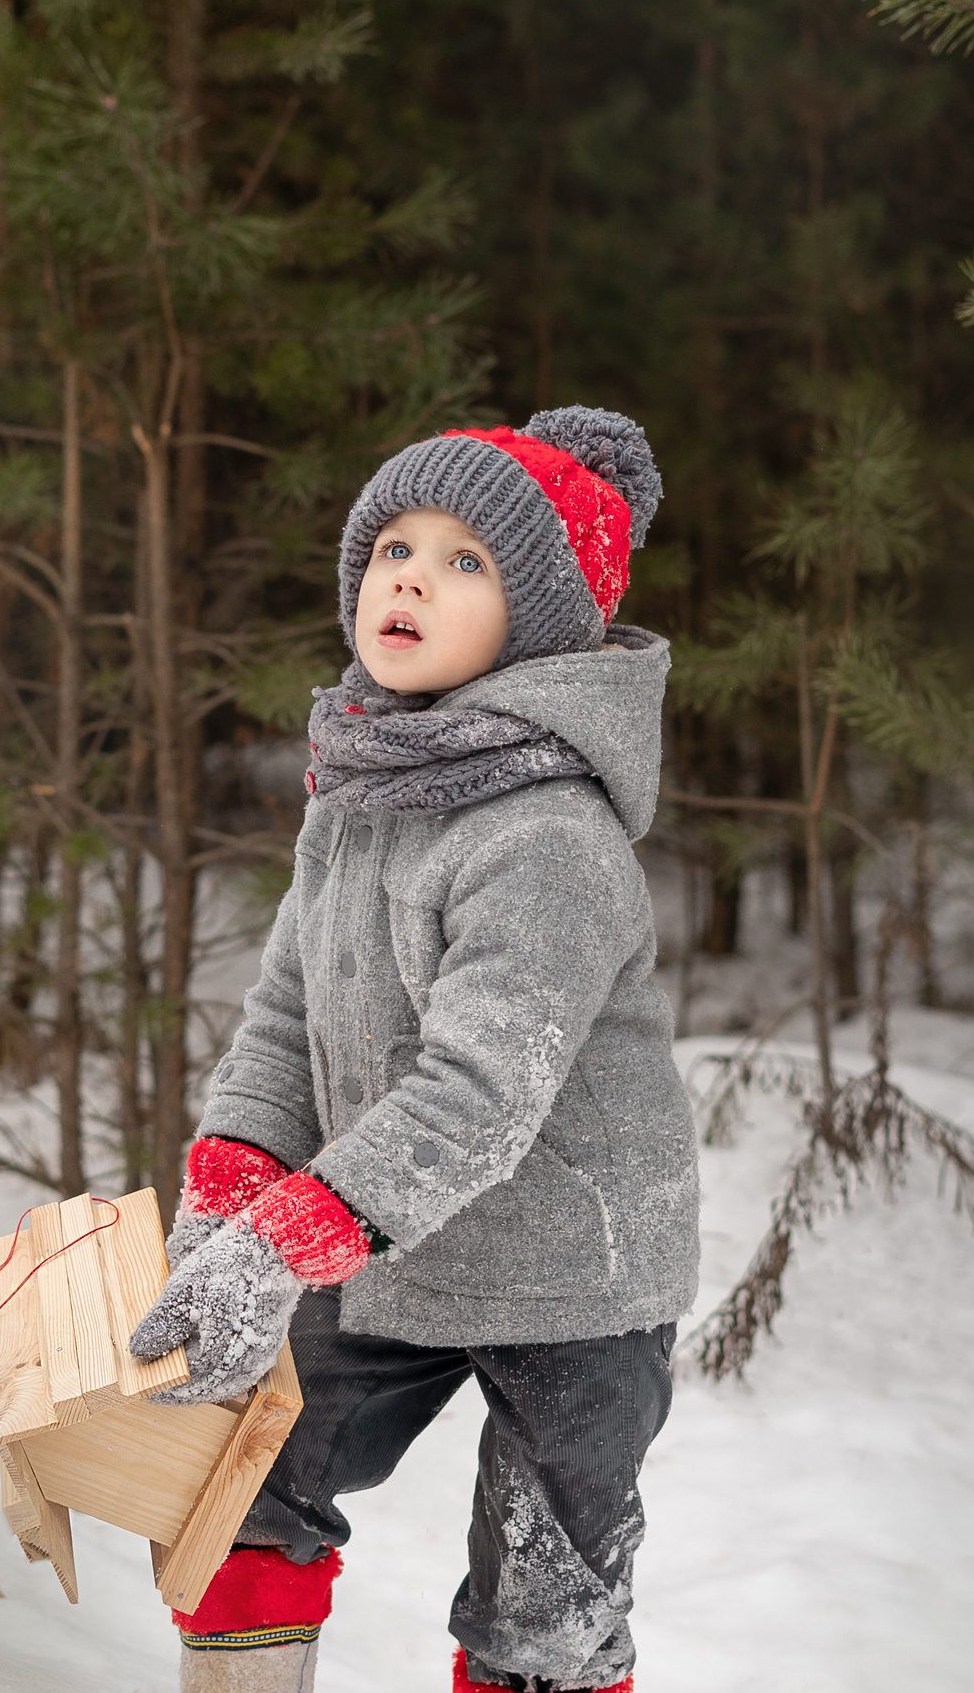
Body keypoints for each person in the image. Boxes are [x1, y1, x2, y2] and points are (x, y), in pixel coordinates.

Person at [129, 408, 699, 1693]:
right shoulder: (365, 799)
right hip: (387, 1238)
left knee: (540, 1609)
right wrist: (228, 1186)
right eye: (393, 543)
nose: (409, 574)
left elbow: (478, 1096)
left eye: (466, 560)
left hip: (574, 1269)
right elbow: (286, 1008)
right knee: (235, 1483)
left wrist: (283, 1237)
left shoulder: (547, 832)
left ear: (540, 621)